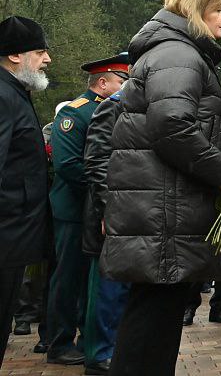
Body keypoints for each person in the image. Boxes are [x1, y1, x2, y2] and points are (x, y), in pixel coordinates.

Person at [101, 0, 221, 376]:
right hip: (165, 211)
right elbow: (172, 126)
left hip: (162, 207)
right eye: (218, 9)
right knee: (152, 326)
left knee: (153, 322)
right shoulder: (177, 54)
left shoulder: (173, 52)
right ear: (196, 12)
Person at [44, 53, 128, 367]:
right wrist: (102, 192)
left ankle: (85, 336)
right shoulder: (75, 113)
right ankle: (59, 342)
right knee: (68, 278)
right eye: (121, 81)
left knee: (88, 279)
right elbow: (68, 165)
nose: (125, 87)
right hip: (74, 209)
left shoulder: (113, 110)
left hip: (93, 209)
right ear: (102, 82)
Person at [0, 16, 54, 369]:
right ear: (15, 56)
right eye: (39, 51)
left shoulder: (14, 91)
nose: (47, 59)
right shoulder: (4, 95)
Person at [81, 88, 131, 374]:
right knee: (108, 290)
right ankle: (99, 355)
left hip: (132, 213)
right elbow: (97, 163)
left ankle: (115, 350)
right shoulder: (111, 107)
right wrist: (108, 208)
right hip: (110, 214)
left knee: (123, 288)